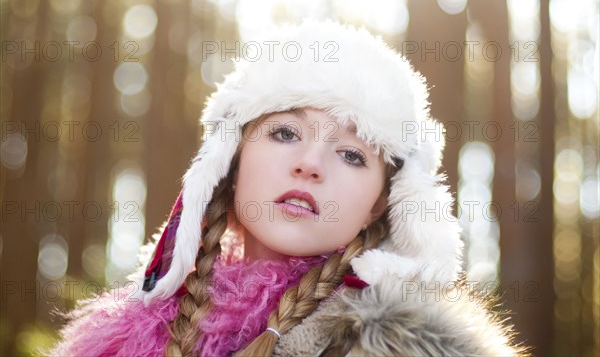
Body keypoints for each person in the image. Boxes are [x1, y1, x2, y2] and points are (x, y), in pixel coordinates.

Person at [46, 21, 527, 356]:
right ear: (232, 161)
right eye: (285, 133)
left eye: (352, 154)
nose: (310, 165)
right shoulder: (125, 338)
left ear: (381, 204)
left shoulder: (405, 344)